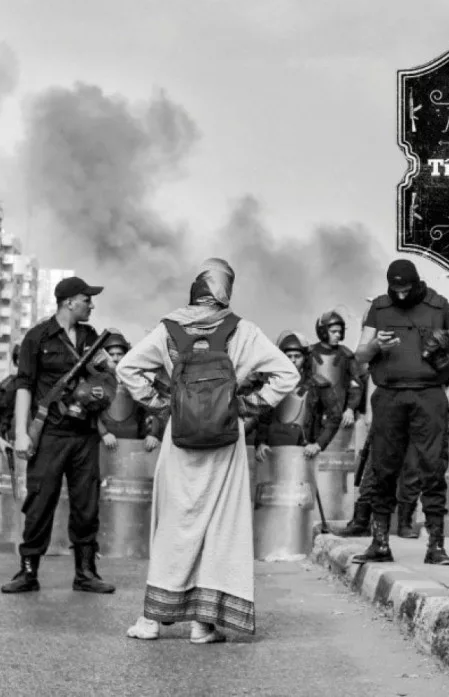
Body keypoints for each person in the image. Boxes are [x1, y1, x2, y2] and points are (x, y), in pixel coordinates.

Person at [116, 258, 299, 644]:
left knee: (174, 524)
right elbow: (288, 374)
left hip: (179, 438)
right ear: (226, 291)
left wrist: (162, 404)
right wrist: (247, 406)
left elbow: (127, 368)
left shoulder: (168, 329)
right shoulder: (243, 331)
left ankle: (151, 620)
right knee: (219, 528)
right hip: (225, 440)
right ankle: (203, 624)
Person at [0, 276, 116, 595]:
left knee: (86, 505)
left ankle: (86, 572)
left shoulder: (92, 338)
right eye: (86, 300)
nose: (91, 305)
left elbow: (108, 377)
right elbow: (24, 386)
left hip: (85, 434)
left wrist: (102, 376)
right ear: (69, 302)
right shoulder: (36, 337)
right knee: (40, 502)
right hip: (49, 433)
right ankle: (28, 571)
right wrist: (21, 433)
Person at [353, 259, 449, 566]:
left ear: (416, 283)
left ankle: (436, 546)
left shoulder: (438, 305)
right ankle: (380, 543)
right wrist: (375, 346)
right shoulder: (379, 307)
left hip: (429, 394)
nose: (402, 295)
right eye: (396, 289)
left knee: (433, 468)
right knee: (383, 469)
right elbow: (360, 355)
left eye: (407, 289)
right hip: (389, 394)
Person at [304, 311, 364, 458]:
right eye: (333, 332)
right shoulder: (309, 354)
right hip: (312, 417)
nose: (338, 335)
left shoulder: (346, 355)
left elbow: (356, 384)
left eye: (340, 332)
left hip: (339, 419)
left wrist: (350, 409)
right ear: (323, 332)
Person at [98, 331, 163, 453]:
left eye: (119, 354)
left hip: (133, 438)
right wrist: (103, 433)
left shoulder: (137, 379)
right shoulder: (97, 379)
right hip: (103, 440)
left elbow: (153, 406)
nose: (115, 358)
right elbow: (92, 413)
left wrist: (153, 434)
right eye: (111, 354)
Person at [254, 331, 311, 461]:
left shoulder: (314, 385)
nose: (293, 360)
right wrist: (261, 442)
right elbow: (264, 419)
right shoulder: (271, 384)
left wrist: (316, 444)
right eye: (289, 356)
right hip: (274, 449)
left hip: (304, 450)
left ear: (304, 358)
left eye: (297, 356)